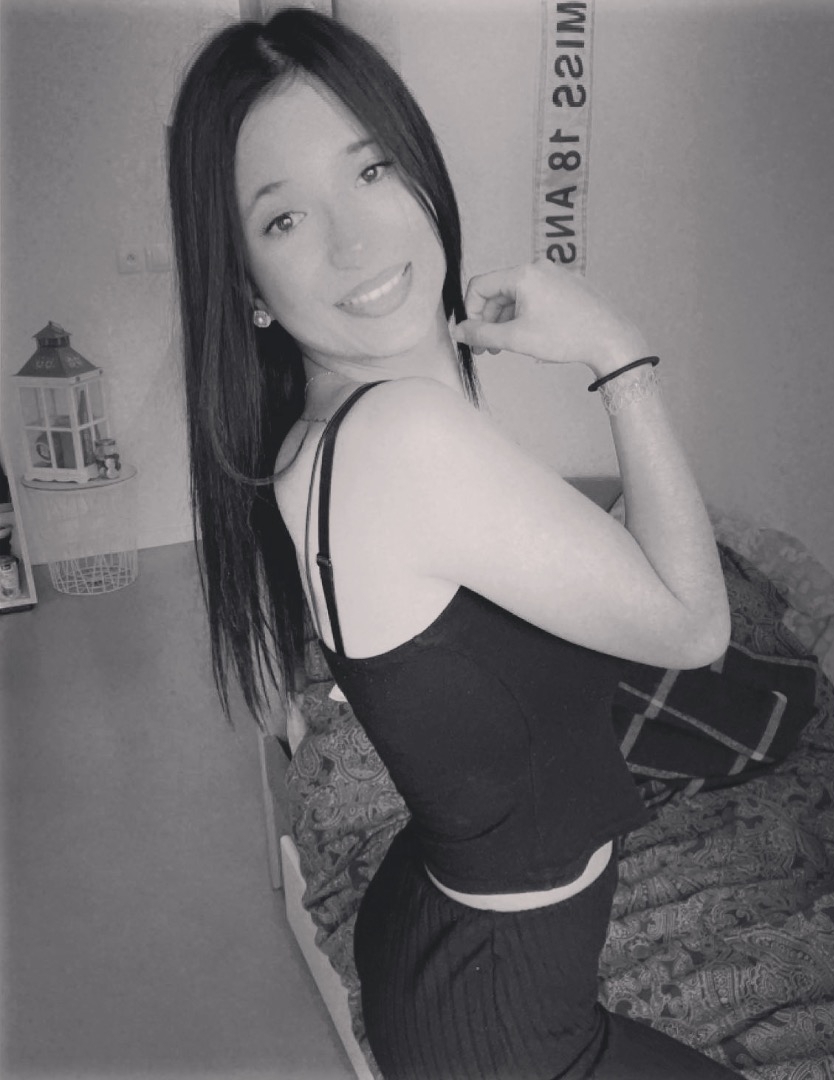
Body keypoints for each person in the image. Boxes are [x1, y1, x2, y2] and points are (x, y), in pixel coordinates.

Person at [168, 9, 740, 1079]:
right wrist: (616, 352)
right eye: (284, 219)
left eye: (371, 169)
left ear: (419, 168)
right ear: (244, 283)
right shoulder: (405, 437)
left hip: (449, 936)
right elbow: (697, 625)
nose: (355, 240)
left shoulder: (318, 438)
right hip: (504, 1017)